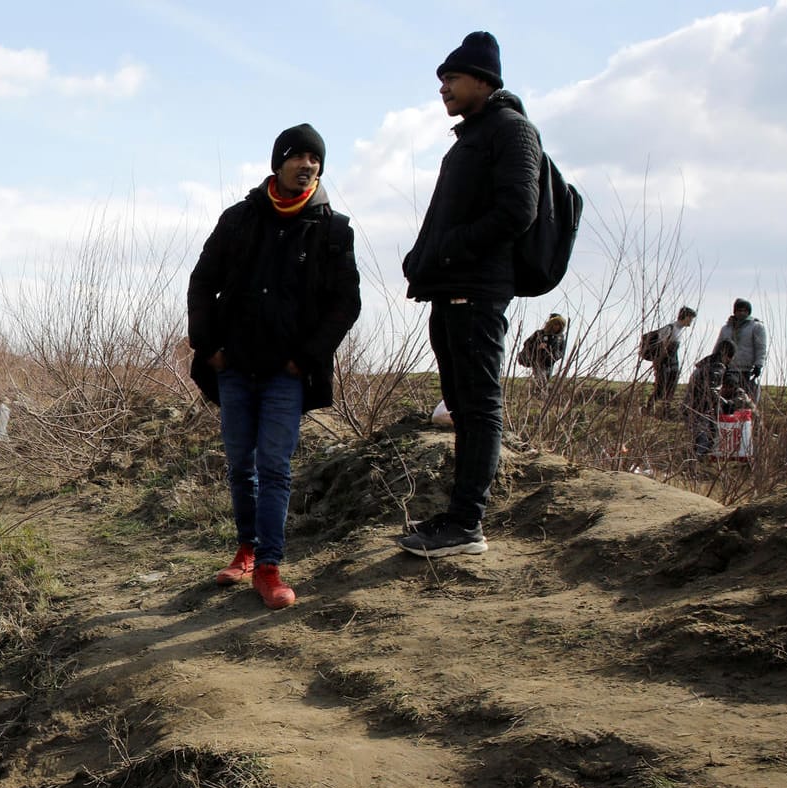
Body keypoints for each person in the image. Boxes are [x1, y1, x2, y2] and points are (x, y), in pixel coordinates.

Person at [187, 123, 362, 609]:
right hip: (236, 366)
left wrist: (305, 357)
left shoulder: (333, 229)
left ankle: (268, 566)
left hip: (287, 372)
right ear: (278, 162)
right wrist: (208, 346)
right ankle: (245, 550)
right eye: (298, 156)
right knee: (242, 466)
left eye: (316, 159)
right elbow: (202, 283)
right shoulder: (239, 219)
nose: (308, 166)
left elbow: (345, 304)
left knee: (275, 467)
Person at [398, 30, 542, 558]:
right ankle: (457, 518)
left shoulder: (512, 131)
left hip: (478, 293)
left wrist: (447, 249)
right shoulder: (471, 138)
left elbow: (516, 212)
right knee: (460, 404)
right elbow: (448, 217)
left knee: (479, 408)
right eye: (440, 80)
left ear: (484, 81)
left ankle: (467, 525)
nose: (443, 88)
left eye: (452, 78)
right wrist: (423, 256)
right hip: (450, 291)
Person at [641, 306, 696, 411]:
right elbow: (658, 346)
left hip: (674, 363)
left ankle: (665, 411)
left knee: (671, 389)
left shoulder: (680, 330)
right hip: (664, 363)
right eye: (691, 318)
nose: (691, 321)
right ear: (686, 317)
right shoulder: (670, 328)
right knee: (660, 389)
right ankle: (648, 408)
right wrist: (657, 363)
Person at [714, 299, 768, 402]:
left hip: (746, 370)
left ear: (749, 312)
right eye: (739, 310)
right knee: (727, 398)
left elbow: (761, 347)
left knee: (745, 398)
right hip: (727, 368)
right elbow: (718, 346)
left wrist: (758, 365)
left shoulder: (756, 327)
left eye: (745, 311)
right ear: (735, 311)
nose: (742, 313)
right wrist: (714, 362)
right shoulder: (726, 328)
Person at [686, 341, 733, 457]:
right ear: (728, 356)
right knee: (704, 441)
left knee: (698, 439)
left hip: (691, 405)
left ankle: (692, 465)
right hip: (701, 409)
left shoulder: (704, 364)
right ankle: (694, 467)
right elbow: (712, 391)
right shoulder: (717, 367)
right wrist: (726, 404)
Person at [515, 313, 568, 382]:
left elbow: (561, 352)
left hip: (549, 362)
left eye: (559, 324)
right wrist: (537, 347)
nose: (557, 326)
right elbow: (527, 344)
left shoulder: (560, 338)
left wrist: (553, 355)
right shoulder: (539, 334)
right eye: (555, 324)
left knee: (546, 380)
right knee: (541, 379)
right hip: (537, 360)